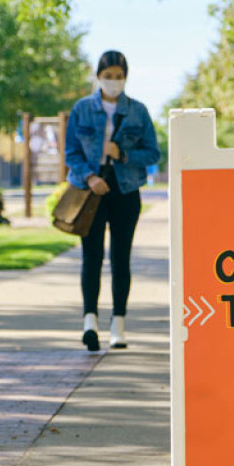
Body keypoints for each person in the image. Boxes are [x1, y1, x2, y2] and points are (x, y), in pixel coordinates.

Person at [65, 51, 159, 352]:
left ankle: (118, 324)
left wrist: (123, 154)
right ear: (98, 76)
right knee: (91, 257)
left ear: (125, 78)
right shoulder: (81, 109)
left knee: (121, 258)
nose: (113, 82)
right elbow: (71, 152)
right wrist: (90, 176)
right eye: (109, 76)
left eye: (119, 77)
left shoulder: (138, 111)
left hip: (126, 190)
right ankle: (89, 321)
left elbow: (153, 153)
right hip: (91, 191)